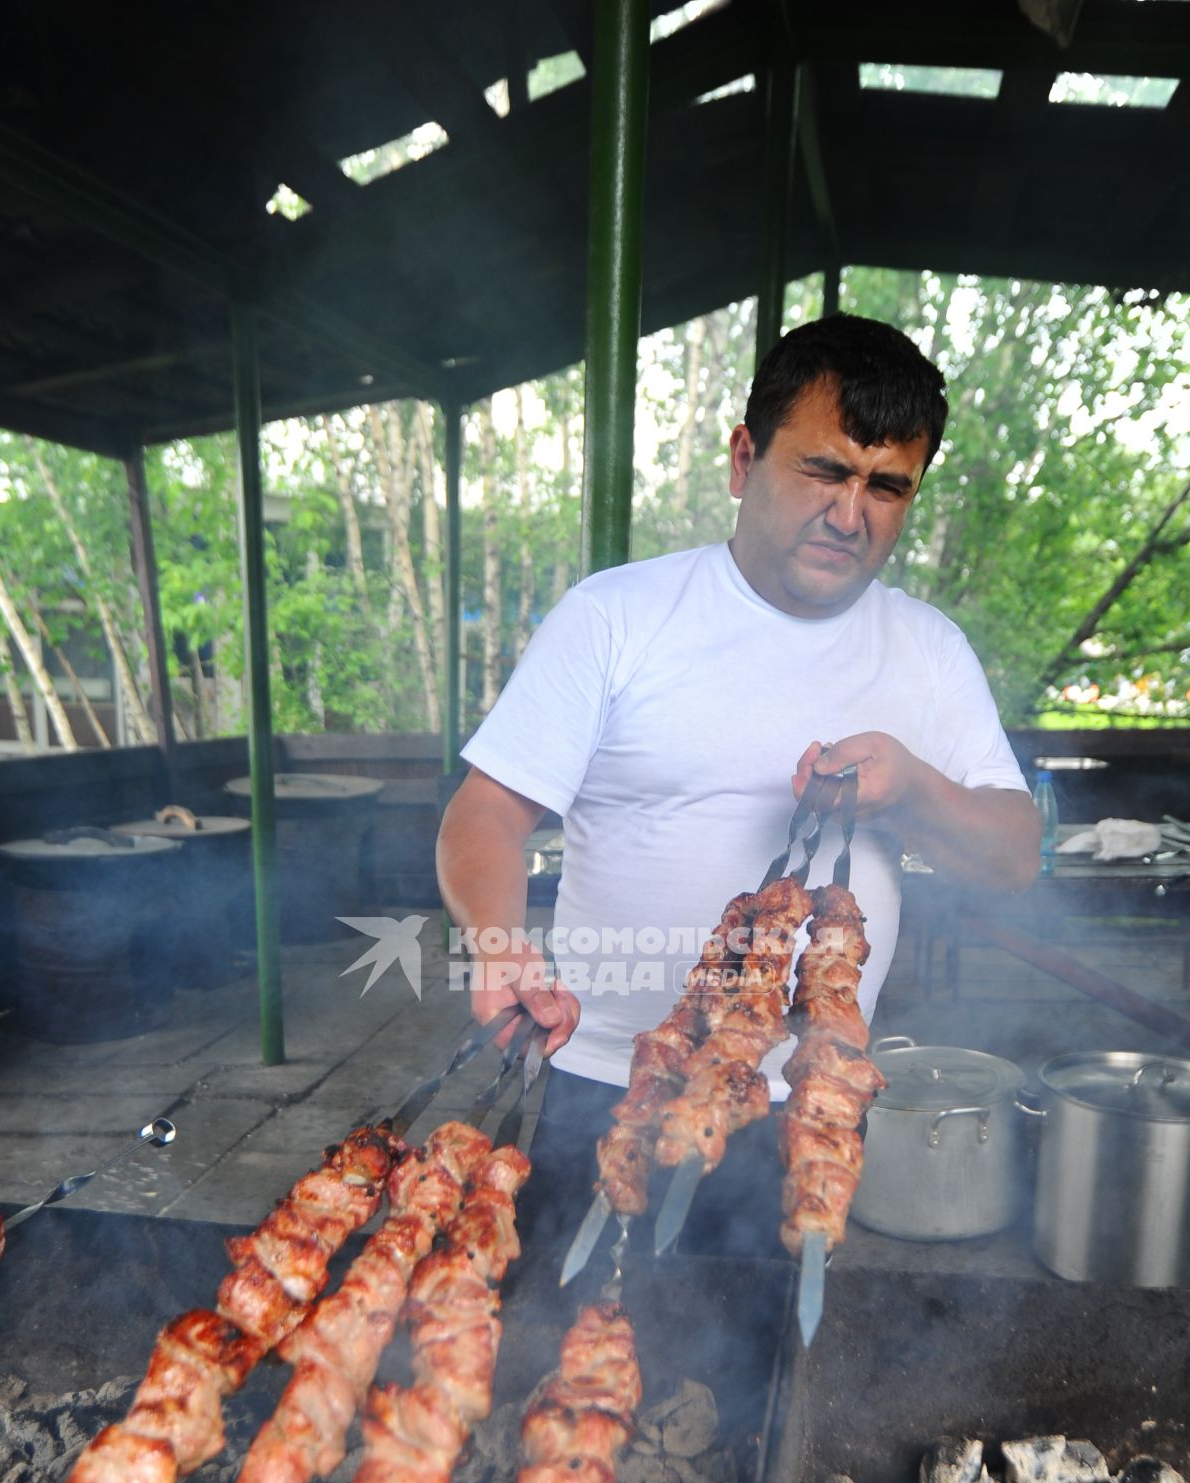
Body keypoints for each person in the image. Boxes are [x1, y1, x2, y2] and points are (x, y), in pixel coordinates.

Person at [437, 314, 1039, 1256]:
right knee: (557, 1370)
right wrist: (498, 941)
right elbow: (486, 812)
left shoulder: (927, 651)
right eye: (823, 471)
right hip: (602, 1078)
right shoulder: (616, 618)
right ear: (742, 458)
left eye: (887, 487)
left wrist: (913, 789)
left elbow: (1013, 858)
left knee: (748, 1382)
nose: (851, 515)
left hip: (802, 1112)